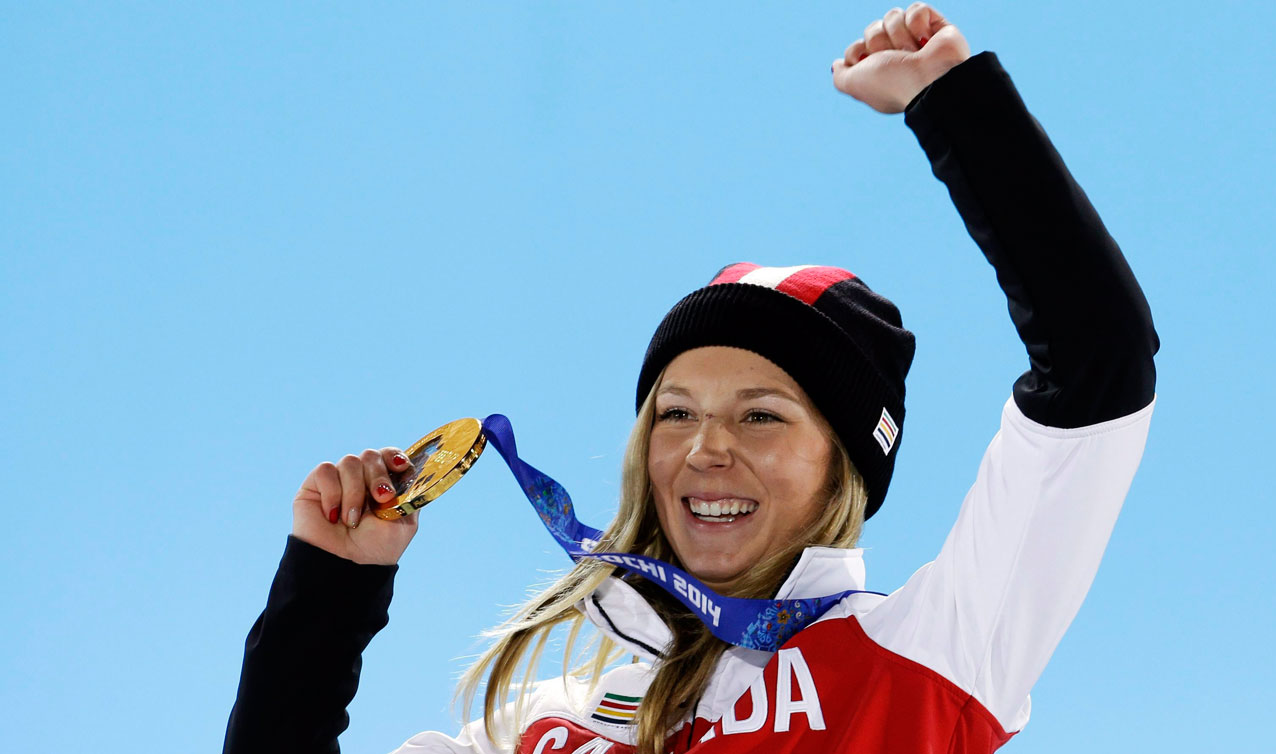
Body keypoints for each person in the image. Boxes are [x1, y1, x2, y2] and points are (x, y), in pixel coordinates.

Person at [224, 4, 1159, 753]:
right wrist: (330, 591)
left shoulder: (934, 650)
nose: (707, 447)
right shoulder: (549, 722)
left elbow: (1099, 359)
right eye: (675, 413)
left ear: (844, 463)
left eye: (761, 416)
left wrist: (951, 102)